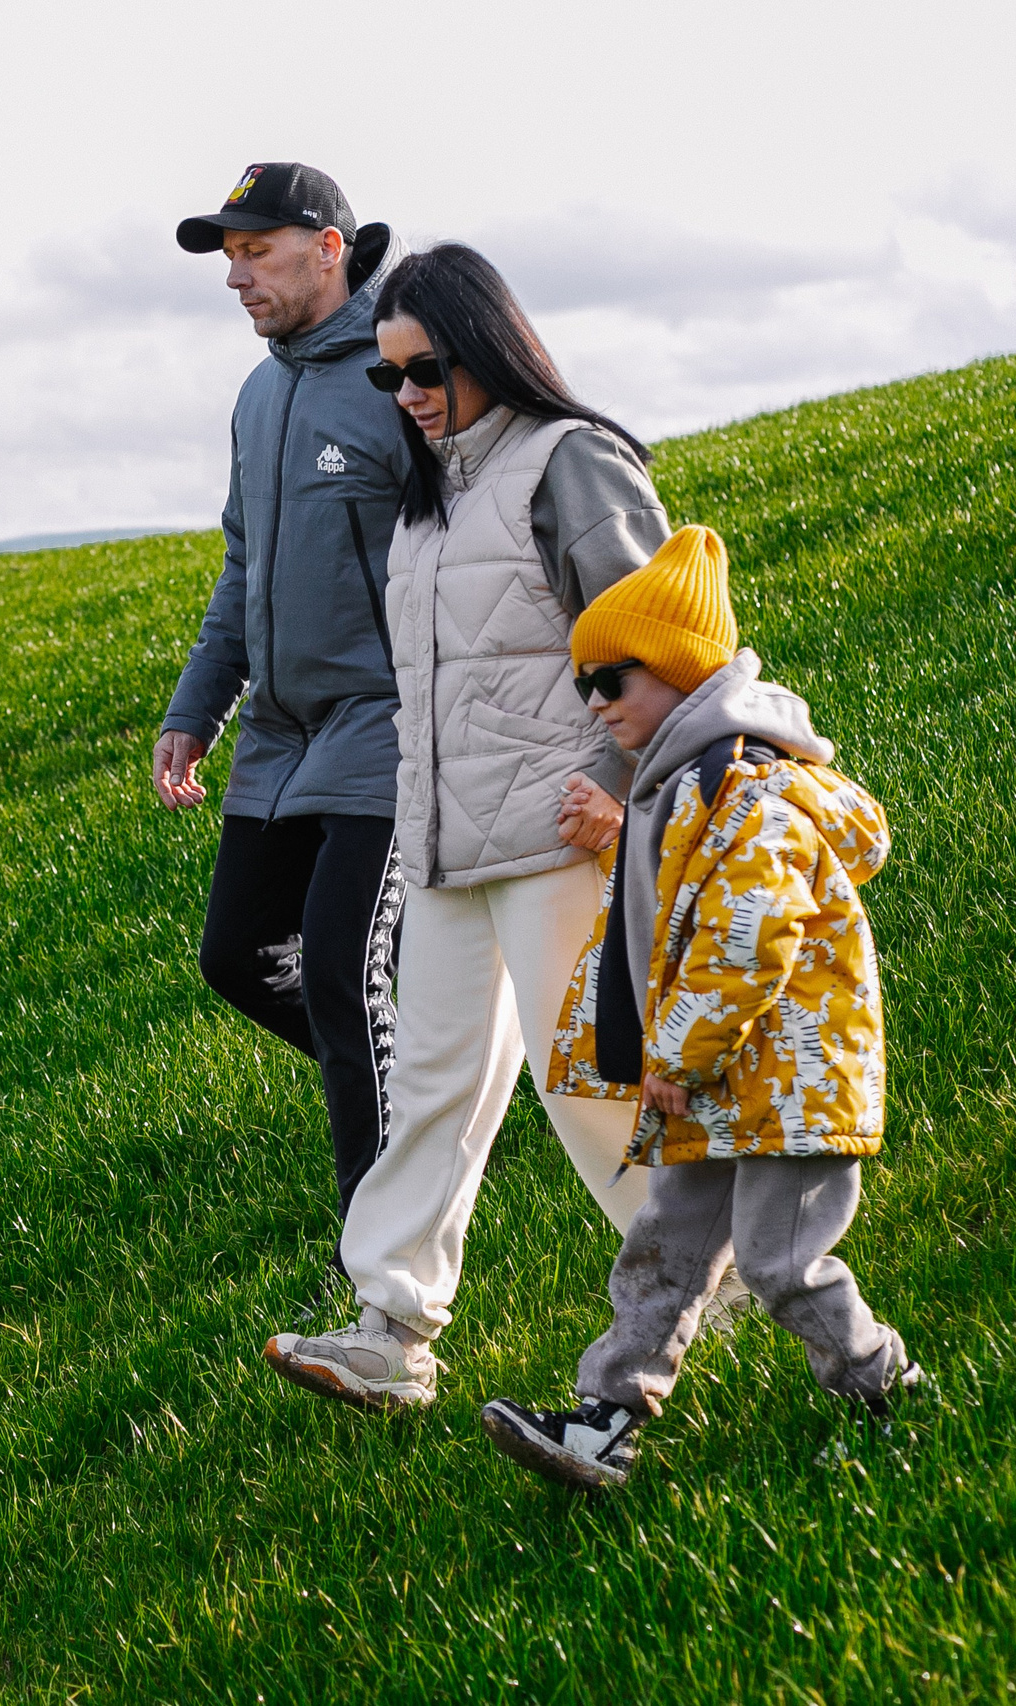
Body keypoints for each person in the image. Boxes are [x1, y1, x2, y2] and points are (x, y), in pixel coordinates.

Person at [262, 243, 685, 1413]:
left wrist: (614, 775)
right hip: (445, 846)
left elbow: (662, 636)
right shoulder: (429, 498)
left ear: (489, 344)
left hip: (558, 835)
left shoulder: (570, 462)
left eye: (427, 368)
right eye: (389, 377)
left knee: (591, 1086)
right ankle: (390, 1329)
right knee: (432, 1087)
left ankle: (735, 1281)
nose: (406, 394)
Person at [481, 525, 921, 1490]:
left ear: (681, 673)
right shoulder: (684, 790)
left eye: (614, 680)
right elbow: (665, 923)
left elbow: (745, 943)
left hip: (791, 1083)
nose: (597, 705)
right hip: (724, 1080)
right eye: (583, 684)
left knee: (782, 1263)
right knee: (663, 1249)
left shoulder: (750, 796)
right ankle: (604, 1422)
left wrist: (674, 1054)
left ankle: (884, 1389)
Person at [154, 163, 410, 1232]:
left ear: (328, 246)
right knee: (235, 954)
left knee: (347, 983)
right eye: (229, 257)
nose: (237, 277)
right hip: (278, 739)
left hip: (387, 732)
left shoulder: (405, 374)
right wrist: (194, 708)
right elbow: (242, 565)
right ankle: (422, 1095)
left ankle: (380, 1249)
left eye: (255, 251)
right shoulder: (259, 395)